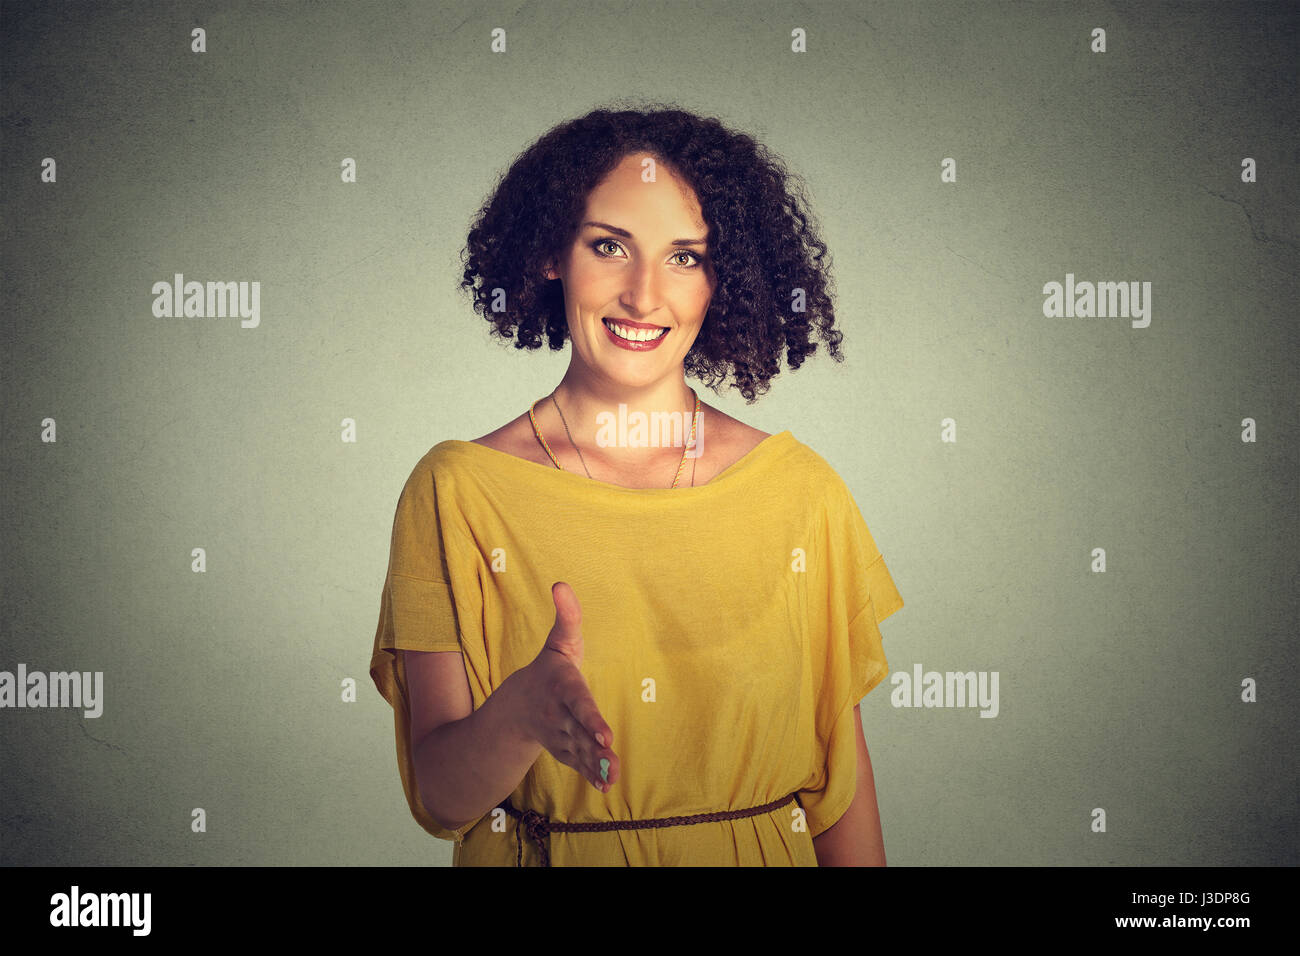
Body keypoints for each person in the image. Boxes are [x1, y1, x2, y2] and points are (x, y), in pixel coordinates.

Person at [369, 104, 904, 866]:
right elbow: (442, 800)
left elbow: (842, 795)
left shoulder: (800, 495)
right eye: (611, 246)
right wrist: (521, 714)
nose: (644, 295)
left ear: (726, 278)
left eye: (686, 256)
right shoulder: (456, 492)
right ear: (554, 253)